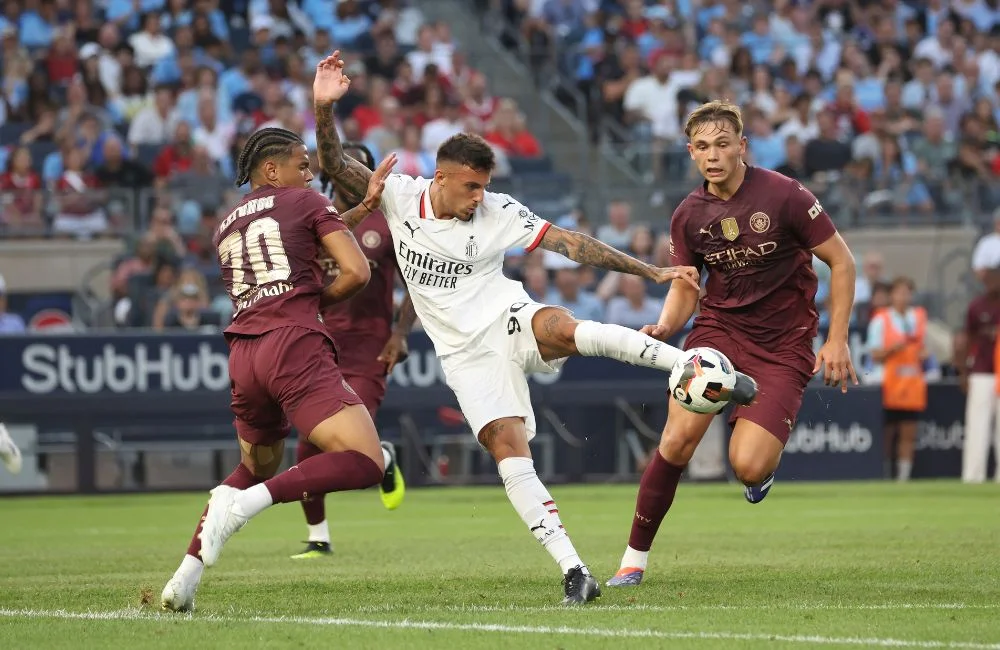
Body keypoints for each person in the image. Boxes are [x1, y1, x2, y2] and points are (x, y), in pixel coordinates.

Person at [310, 52, 757, 605]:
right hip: (465, 356)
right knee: (509, 450)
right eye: (470, 188)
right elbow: (332, 163)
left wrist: (651, 269)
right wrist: (323, 108)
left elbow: (574, 245)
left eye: (484, 187)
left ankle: (694, 367)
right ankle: (574, 570)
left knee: (563, 326)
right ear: (442, 178)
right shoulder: (400, 196)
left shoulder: (498, 210)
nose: (480, 198)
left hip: (507, 316)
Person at [607, 100, 857, 587]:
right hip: (717, 332)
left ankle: (757, 460)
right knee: (676, 440)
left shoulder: (785, 195)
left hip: (784, 344)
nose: (713, 155)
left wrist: (837, 339)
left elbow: (842, 262)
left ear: (743, 146)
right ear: (691, 153)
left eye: (723, 144)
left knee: (746, 465)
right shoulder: (688, 215)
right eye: (703, 147)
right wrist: (664, 326)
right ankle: (633, 560)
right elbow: (685, 284)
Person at [160, 126, 399, 612]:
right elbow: (356, 271)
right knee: (367, 460)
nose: (311, 174)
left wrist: (363, 208)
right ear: (272, 169)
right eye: (302, 165)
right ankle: (247, 506)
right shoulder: (307, 201)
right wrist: (310, 304)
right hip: (294, 345)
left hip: (244, 353)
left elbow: (298, 239)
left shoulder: (225, 221)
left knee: (253, 466)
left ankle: (185, 577)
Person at [291, 142, 418, 560]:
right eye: (346, 168)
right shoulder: (316, 219)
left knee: (350, 446)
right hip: (320, 346)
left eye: (360, 169)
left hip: (369, 347)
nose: (354, 175)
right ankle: (318, 537)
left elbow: (415, 285)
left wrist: (400, 334)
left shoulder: (387, 225)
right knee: (308, 443)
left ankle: (379, 456)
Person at [867, 277, 927, 481]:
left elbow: (924, 349)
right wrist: (893, 349)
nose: (903, 297)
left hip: (912, 384)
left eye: (907, 292)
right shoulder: (881, 319)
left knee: (908, 434)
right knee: (888, 434)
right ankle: (884, 474)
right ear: (892, 295)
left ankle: (903, 478)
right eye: (899, 292)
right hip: (888, 383)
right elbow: (874, 355)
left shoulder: (918, 318)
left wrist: (923, 355)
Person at [955, 266, 1000, 483]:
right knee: (977, 426)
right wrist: (963, 371)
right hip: (982, 371)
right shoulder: (977, 305)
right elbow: (965, 340)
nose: (991, 282)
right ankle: (973, 476)